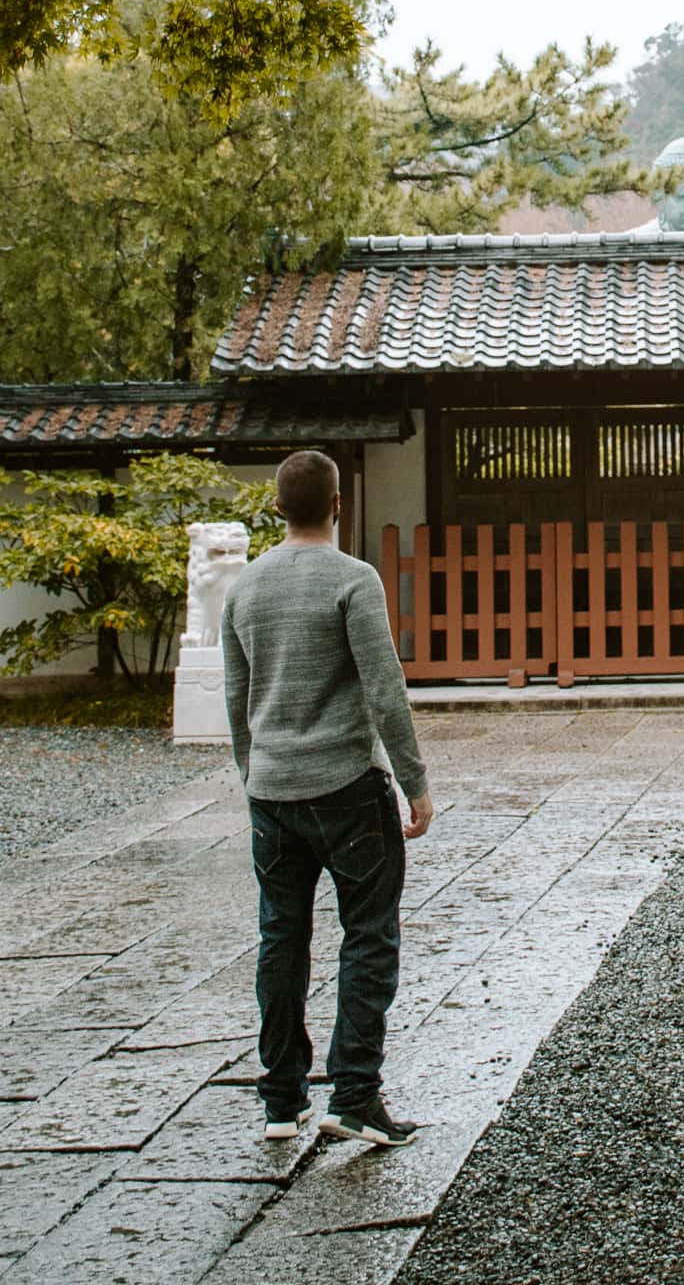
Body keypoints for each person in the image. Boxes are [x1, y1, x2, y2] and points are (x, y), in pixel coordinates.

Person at [221, 448, 433, 1148]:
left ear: (276, 507)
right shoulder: (353, 579)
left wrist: (256, 774)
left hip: (271, 793)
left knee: (280, 937)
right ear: (338, 504)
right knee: (369, 935)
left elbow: (235, 698)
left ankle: (281, 1099)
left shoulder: (244, 587)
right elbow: (384, 688)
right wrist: (415, 783)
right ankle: (355, 1093)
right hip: (345, 787)